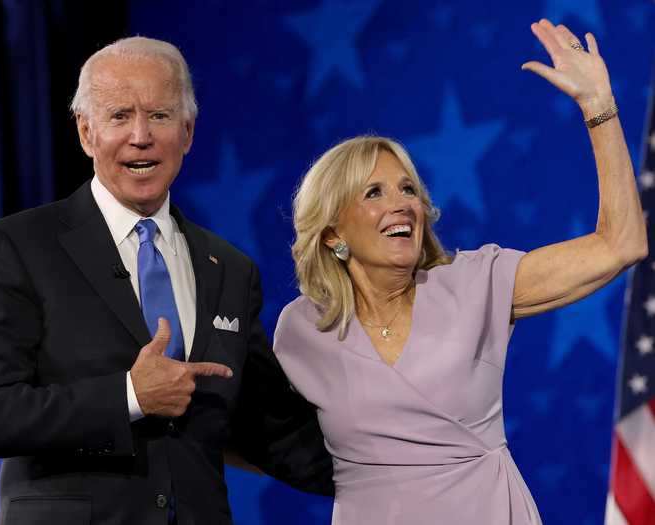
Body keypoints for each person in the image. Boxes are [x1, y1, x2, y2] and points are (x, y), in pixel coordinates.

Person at [273, 19, 647, 525]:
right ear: (333, 234)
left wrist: (598, 106)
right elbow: (248, 435)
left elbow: (620, 243)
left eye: (408, 190)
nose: (401, 205)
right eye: (374, 193)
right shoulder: (301, 330)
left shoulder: (476, 284)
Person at [0, 37, 332, 524]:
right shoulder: (19, 247)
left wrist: (411, 464)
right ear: (86, 132)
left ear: (188, 132)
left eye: (159, 115)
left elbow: (271, 431)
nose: (141, 136)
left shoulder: (230, 270)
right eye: (119, 116)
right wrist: (129, 396)